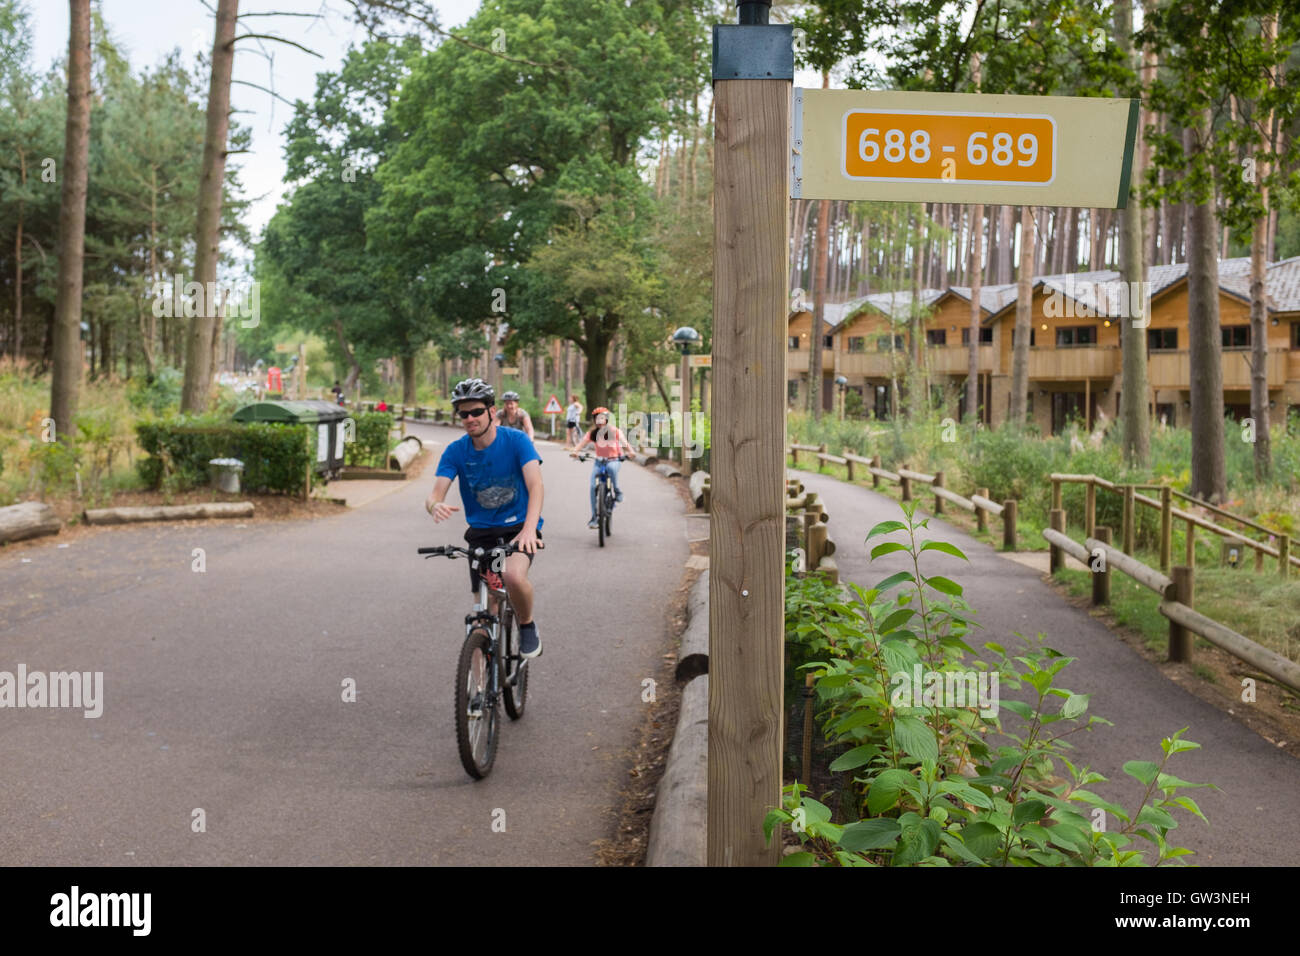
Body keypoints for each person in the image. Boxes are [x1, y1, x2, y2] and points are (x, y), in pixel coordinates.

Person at [426, 378, 545, 658]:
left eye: (476, 411)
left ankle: (527, 625)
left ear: (492, 411)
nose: (470, 418)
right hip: (481, 534)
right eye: (463, 413)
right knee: (483, 614)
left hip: (518, 529)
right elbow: (434, 495)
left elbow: (536, 486)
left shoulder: (516, 441)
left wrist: (529, 530)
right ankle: (477, 694)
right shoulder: (456, 451)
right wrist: (434, 506)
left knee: (512, 576)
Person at [570, 406, 633, 529]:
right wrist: (575, 451)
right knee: (593, 486)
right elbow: (580, 444)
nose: (599, 421)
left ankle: (618, 491)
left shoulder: (615, 431)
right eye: (596, 418)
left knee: (611, 469)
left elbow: (625, 444)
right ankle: (594, 518)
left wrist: (631, 452)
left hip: (614, 460)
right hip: (599, 462)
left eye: (602, 418)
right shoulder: (592, 433)